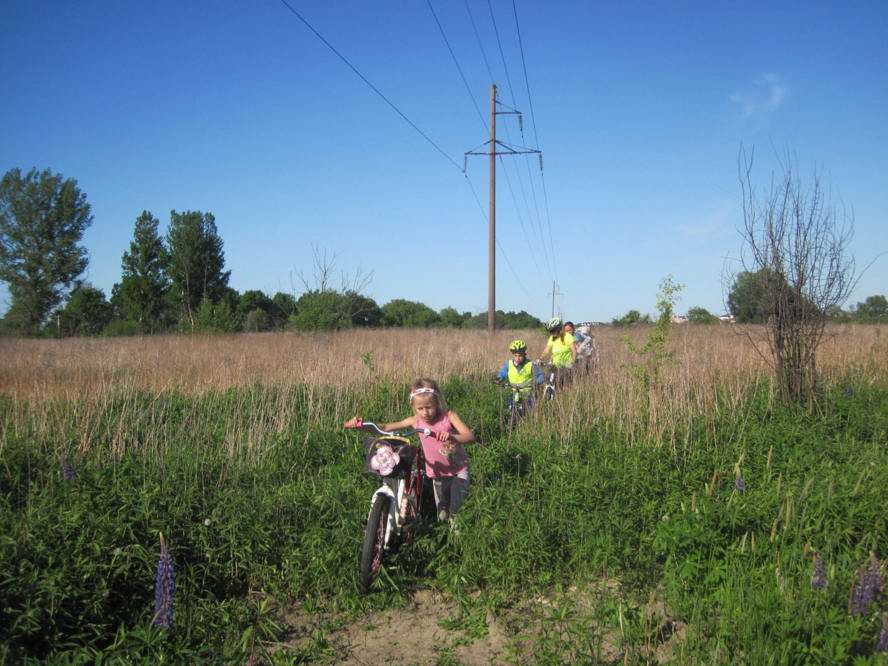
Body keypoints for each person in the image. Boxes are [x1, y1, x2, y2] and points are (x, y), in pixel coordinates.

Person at [345, 378, 475, 523]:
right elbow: (386, 427)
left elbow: (470, 436)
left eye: (429, 407)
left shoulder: (448, 417)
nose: (425, 412)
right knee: (442, 512)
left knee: (455, 512)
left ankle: (458, 539)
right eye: (420, 408)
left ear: (437, 402)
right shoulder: (415, 421)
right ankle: (444, 535)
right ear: (413, 407)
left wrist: (453, 437)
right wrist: (362, 425)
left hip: (458, 471)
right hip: (437, 473)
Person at [496, 339, 545, 410]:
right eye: (515, 356)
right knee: (508, 408)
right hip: (513, 392)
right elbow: (502, 373)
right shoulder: (508, 364)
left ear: (524, 354)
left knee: (531, 409)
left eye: (520, 356)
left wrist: (537, 382)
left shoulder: (531, 364)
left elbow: (540, 375)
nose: (517, 358)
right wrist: (499, 379)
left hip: (527, 394)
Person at [539, 317, 576, 387]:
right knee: (547, 381)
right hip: (554, 364)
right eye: (550, 331)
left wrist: (572, 363)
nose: (551, 333)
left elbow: (574, 351)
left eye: (553, 331)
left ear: (559, 329)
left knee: (561, 384)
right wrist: (540, 359)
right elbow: (547, 350)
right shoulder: (552, 338)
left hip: (565, 366)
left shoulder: (568, 337)